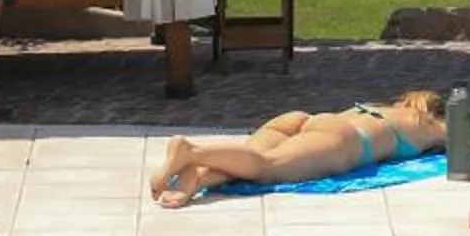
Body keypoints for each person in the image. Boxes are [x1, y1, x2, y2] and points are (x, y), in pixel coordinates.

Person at [151, 90, 447, 205]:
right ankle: (191, 151)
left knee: (249, 165)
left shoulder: (376, 107)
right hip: (343, 142)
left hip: (306, 121)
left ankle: (198, 176)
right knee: (266, 168)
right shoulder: (426, 125)